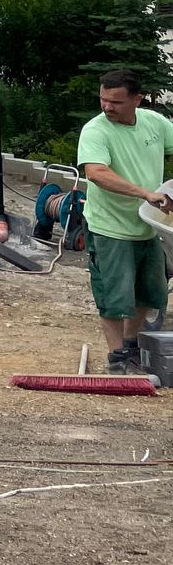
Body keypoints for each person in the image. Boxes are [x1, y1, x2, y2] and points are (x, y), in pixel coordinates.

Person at [76, 68, 173, 374]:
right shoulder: (96, 131)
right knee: (114, 296)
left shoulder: (154, 123)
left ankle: (131, 346)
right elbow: (96, 173)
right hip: (110, 227)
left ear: (137, 100)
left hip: (146, 227)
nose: (107, 107)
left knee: (150, 292)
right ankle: (118, 359)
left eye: (116, 102)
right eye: (103, 99)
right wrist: (145, 193)